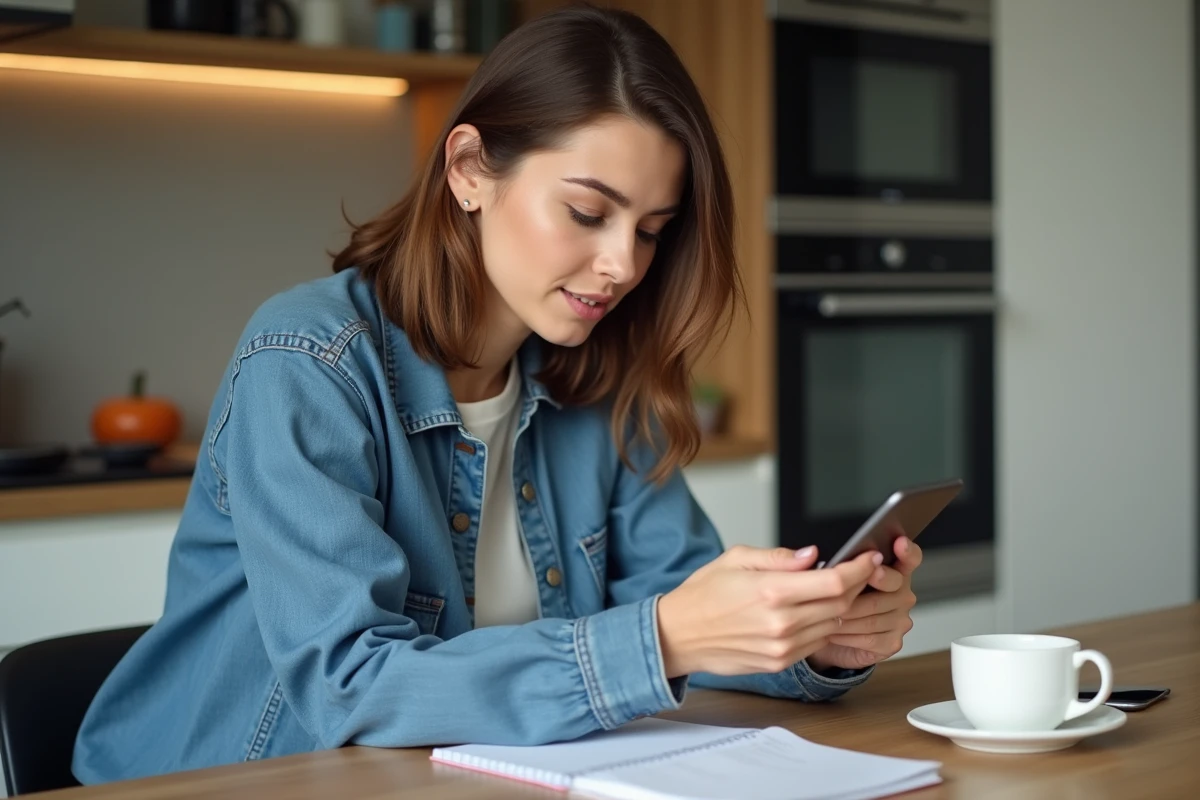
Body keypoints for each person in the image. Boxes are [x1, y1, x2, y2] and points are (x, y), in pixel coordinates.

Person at [73, 4, 921, 784]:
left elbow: (682, 598)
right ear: (471, 169)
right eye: (589, 213)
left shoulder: (598, 378)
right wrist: (663, 638)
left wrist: (816, 637)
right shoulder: (307, 362)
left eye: (653, 232)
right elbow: (350, 686)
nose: (624, 264)